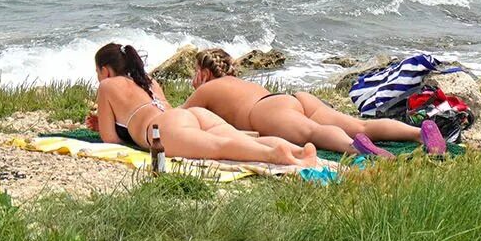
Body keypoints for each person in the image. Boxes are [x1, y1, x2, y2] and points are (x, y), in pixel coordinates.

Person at [181, 48, 447, 157]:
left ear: (203, 73)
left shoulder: (207, 90)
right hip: (293, 99)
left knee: (312, 133)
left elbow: (178, 119)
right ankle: (419, 133)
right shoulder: (240, 84)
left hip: (264, 112)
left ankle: (355, 149)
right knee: (359, 125)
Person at [89, 43, 321, 168]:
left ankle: (274, 155)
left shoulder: (107, 86)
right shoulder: (147, 80)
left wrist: (105, 127)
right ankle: (298, 151)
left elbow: (111, 139)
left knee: (219, 147)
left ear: (105, 70)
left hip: (161, 129)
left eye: (98, 72)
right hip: (190, 115)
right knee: (244, 139)